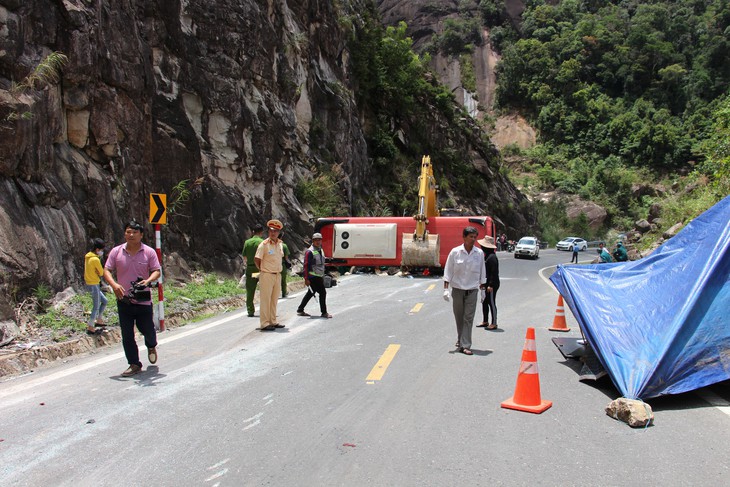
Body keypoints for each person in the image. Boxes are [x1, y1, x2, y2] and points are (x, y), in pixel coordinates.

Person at [103, 220, 161, 377]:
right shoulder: (116, 252)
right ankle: (134, 364)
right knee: (127, 334)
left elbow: (157, 271)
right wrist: (114, 285)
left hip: (143, 299)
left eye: (135, 232)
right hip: (124, 299)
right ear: (124, 233)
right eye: (128, 231)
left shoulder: (149, 252)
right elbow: (106, 270)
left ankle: (151, 345)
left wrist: (147, 281)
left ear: (141, 235)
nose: (131, 235)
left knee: (147, 329)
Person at [443, 226, 486, 356]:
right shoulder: (455, 252)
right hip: (457, 290)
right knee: (459, 317)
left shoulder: (479, 254)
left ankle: (466, 344)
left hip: (472, 290)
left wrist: (482, 289)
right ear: (464, 237)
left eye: (475, 237)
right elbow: (448, 271)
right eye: (470, 237)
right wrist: (446, 289)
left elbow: (482, 272)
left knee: (469, 318)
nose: (473, 239)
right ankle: (461, 338)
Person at [254, 219, 285, 330]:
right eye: (271, 230)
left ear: (279, 232)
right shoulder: (264, 245)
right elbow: (257, 259)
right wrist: (263, 270)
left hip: (277, 275)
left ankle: (273, 321)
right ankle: (265, 323)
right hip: (267, 274)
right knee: (265, 300)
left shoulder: (280, 244)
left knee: (274, 299)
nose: (273, 233)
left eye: (276, 231)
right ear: (268, 231)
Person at [296, 232, 332, 319]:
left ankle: (300, 309)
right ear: (313, 241)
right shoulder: (310, 251)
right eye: (316, 240)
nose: (318, 242)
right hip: (313, 277)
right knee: (323, 293)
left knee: (310, 293)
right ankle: (324, 312)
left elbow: (321, 261)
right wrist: (306, 278)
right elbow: (306, 265)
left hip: (319, 275)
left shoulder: (320, 250)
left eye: (319, 240)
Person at [84, 238, 108, 335]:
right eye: (101, 250)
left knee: (105, 301)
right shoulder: (95, 259)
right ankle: (91, 326)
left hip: (91, 283)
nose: (102, 252)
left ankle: (99, 320)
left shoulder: (88, 257)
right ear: (98, 249)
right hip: (94, 284)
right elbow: (101, 272)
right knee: (96, 306)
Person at [476, 236, 500, 330]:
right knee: (484, 302)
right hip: (486, 283)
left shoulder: (492, 257)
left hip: (492, 284)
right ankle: (485, 321)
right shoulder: (487, 256)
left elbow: (494, 273)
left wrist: (490, 285)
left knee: (491, 302)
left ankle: (494, 323)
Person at [242, 223, 265, 317]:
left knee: (250, 290)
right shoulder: (263, 242)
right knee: (265, 290)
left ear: (253, 232)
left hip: (251, 269)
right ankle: (265, 310)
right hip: (260, 269)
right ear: (262, 232)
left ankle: (250, 311)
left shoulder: (247, 242)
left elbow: (244, 257)